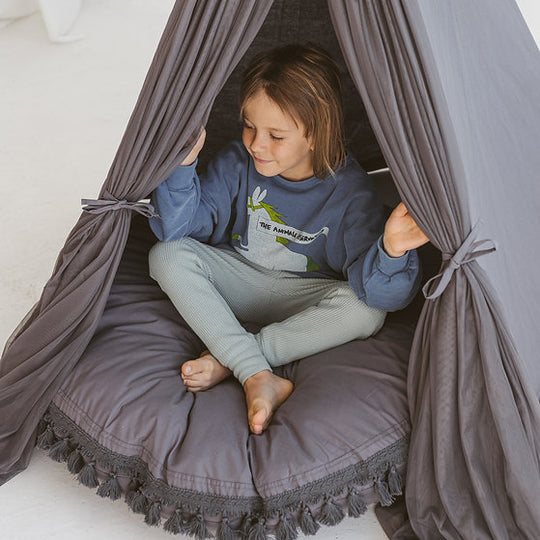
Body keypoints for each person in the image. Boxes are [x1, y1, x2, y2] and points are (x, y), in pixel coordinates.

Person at [148, 44, 428, 435]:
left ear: (315, 134)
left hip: (305, 294)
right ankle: (254, 371)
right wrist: (183, 165)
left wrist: (392, 250)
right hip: (239, 278)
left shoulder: (351, 194)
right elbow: (175, 229)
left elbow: (384, 296)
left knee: (365, 311)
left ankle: (236, 359)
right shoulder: (236, 163)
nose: (256, 144)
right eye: (249, 126)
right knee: (166, 254)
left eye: (275, 135)